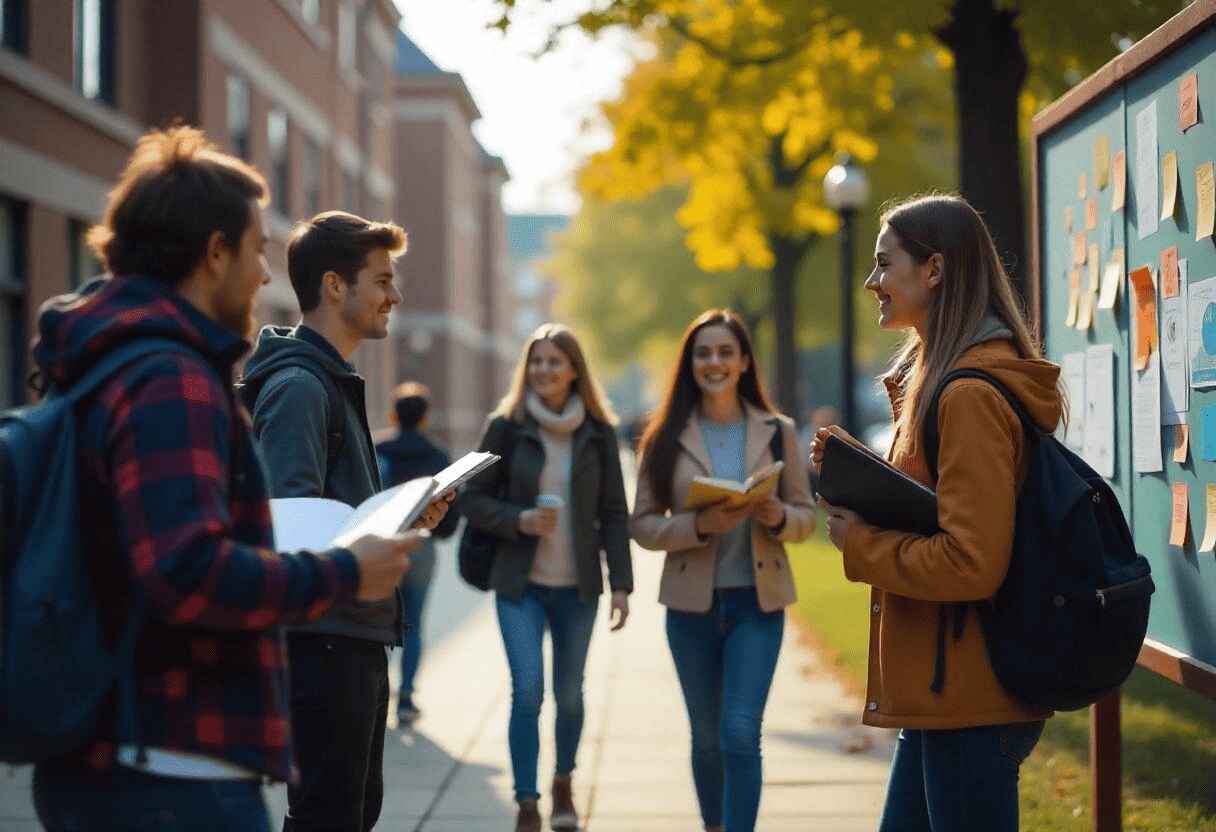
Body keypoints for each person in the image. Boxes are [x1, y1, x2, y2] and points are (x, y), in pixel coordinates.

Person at [27, 127, 421, 832]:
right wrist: (341, 573)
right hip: (172, 770)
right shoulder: (168, 378)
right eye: (257, 252)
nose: (267, 278)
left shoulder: (106, 361)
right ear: (214, 254)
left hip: (109, 755)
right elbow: (187, 570)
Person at [810, 194, 1063, 832]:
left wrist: (860, 543)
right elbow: (940, 512)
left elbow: (971, 563)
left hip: (971, 698)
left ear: (935, 271)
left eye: (883, 264)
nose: (872, 282)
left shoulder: (970, 395)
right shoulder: (937, 383)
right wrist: (860, 479)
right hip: (941, 693)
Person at [241, 211, 452, 832]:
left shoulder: (329, 380)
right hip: (322, 643)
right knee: (329, 818)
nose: (396, 295)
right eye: (383, 280)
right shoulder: (303, 387)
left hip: (350, 634)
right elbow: (288, 524)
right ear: (335, 286)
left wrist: (404, 516)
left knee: (351, 815)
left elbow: (324, 513)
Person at [630, 309, 815, 832]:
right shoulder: (664, 436)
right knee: (707, 739)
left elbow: (806, 517)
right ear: (690, 363)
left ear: (744, 362)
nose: (714, 362)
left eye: (725, 352)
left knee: (739, 732)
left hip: (758, 605)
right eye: (703, 353)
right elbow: (642, 525)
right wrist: (701, 525)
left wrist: (779, 515)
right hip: (691, 609)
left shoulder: (779, 432)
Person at [461, 323, 634, 832]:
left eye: (554, 361)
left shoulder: (599, 433)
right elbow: (469, 497)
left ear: (574, 369)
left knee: (571, 694)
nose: (543, 370)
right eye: (536, 361)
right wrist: (518, 519)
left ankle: (563, 781)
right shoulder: (506, 426)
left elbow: (614, 513)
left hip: (577, 588)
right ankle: (526, 801)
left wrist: (621, 583)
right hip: (519, 585)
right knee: (528, 692)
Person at [375, 382, 460, 725]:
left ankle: (379, 694)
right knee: (414, 624)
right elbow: (452, 509)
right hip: (422, 548)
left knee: (378, 624)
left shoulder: (379, 449)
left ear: (393, 415)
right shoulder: (438, 456)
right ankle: (407, 697)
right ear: (425, 419)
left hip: (381, 547)